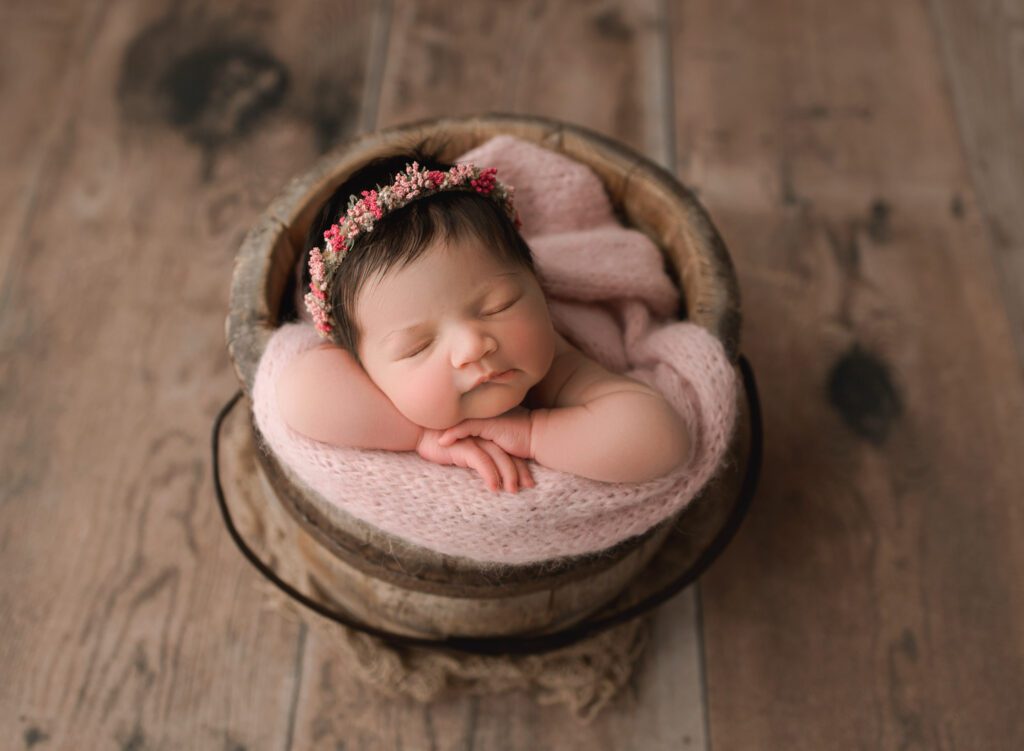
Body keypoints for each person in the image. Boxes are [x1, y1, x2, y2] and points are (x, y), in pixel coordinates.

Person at [276, 145, 691, 494]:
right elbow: (298, 392)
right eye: (417, 346)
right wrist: (421, 436)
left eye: (500, 306)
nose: (473, 346)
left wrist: (534, 433)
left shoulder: (557, 368)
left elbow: (661, 441)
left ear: (538, 285)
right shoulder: (366, 384)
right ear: (363, 365)